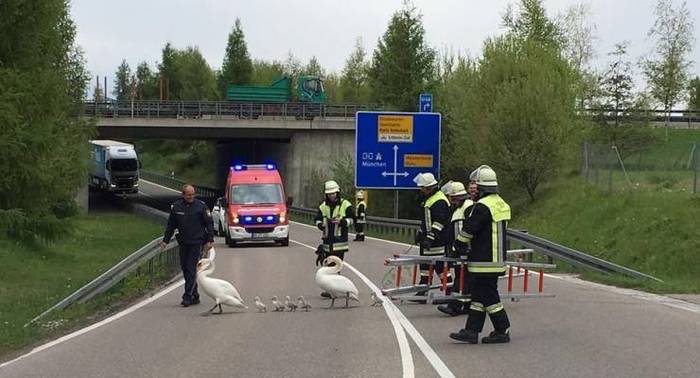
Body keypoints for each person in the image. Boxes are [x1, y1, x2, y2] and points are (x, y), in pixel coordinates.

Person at [450, 166, 512, 344]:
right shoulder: (501, 204)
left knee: (489, 297)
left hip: (484, 260)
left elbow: (469, 230)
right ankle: (471, 331)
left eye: (476, 188)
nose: (473, 192)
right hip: (496, 259)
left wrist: (457, 247)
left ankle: (502, 329)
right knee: (478, 297)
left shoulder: (482, 207)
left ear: (482, 188)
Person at [160, 184, 214, 307]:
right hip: (183, 242)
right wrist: (165, 240)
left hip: (197, 242)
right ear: (183, 194)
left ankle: (187, 296)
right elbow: (171, 225)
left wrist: (210, 240)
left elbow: (209, 224)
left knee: (191, 268)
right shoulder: (177, 207)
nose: (191, 197)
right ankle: (194, 294)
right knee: (185, 268)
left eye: (192, 194)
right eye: (188, 195)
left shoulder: (201, 206)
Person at [437, 181, 476, 317]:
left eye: (452, 198)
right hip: (459, 249)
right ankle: (465, 305)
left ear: (457, 197)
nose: (451, 201)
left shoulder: (468, 207)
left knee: (462, 278)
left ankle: (454, 306)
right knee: (462, 277)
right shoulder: (458, 209)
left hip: (466, 250)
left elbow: (468, 230)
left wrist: (461, 247)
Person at [413, 172, 452, 301]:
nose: (421, 190)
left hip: (438, 241)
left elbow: (439, 221)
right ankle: (422, 291)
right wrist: (420, 233)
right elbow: (426, 221)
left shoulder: (439, 200)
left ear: (429, 188)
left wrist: (431, 237)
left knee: (441, 267)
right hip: (429, 240)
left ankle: (449, 292)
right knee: (424, 265)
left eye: (422, 188)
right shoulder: (429, 199)